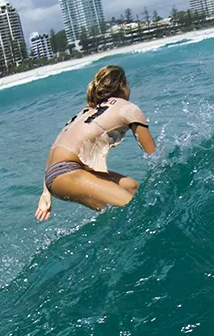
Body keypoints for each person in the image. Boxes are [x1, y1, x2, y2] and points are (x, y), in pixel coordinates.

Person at [36, 65, 155, 221]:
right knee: (135, 208)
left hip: (53, 176)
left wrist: (46, 192)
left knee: (131, 187)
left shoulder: (84, 112)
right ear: (121, 86)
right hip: (68, 173)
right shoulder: (128, 108)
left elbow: (56, 148)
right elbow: (153, 154)